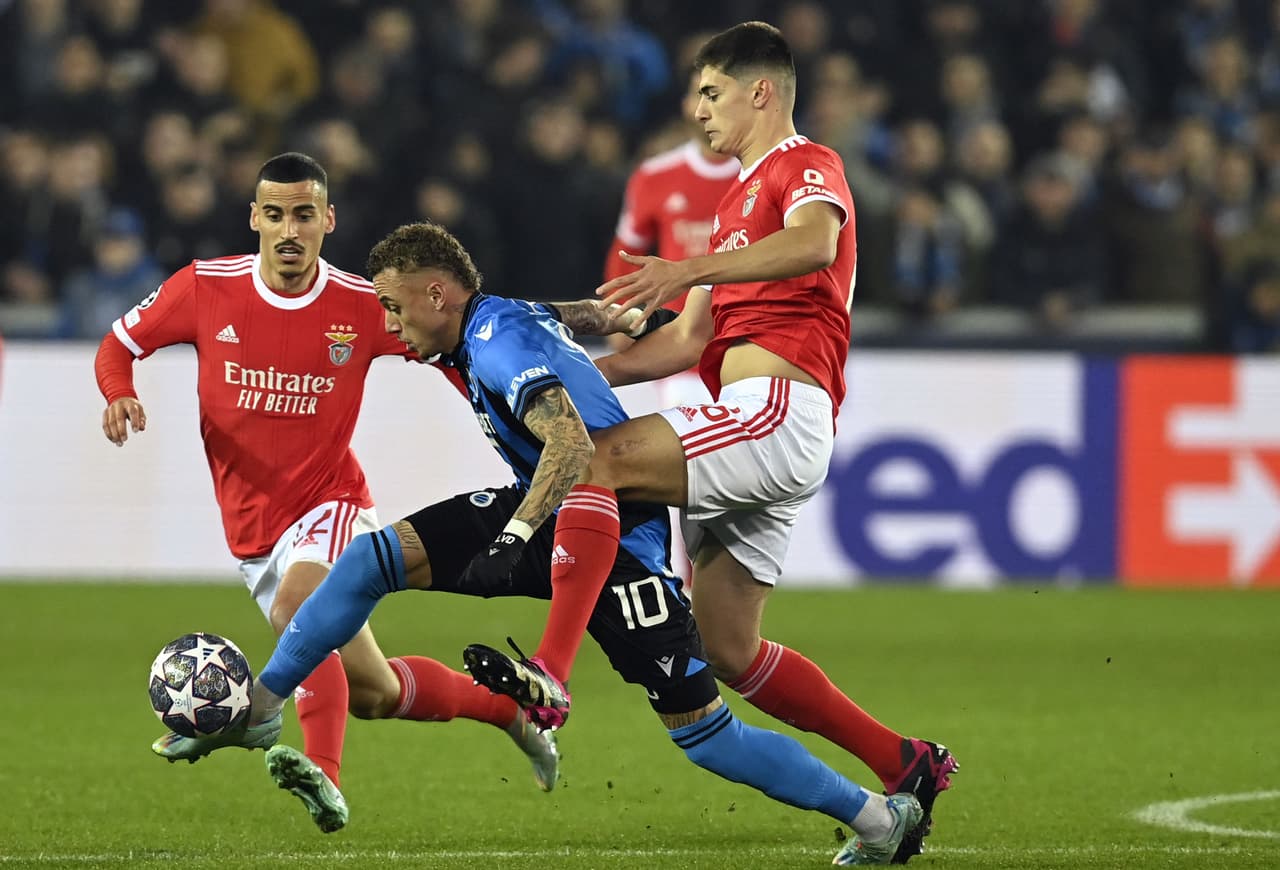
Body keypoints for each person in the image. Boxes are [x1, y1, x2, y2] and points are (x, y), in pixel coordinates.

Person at [181, 221, 923, 865]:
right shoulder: (488, 323)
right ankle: (265, 706)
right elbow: (562, 314)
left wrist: (512, 535)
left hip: (614, 537)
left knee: (708, 737)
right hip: (549, 509)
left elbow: (572, 448)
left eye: (393, 305)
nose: (388, 322)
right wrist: (611, 317)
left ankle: (876, 816)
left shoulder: (497, 344)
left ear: (437, 295)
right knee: (369, 559)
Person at [464, 23, 958, 864]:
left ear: (760, 91)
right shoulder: (731, 210)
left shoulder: (805, 165)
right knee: (728, 646)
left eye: (710, 92)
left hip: (776, 407)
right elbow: (685, 344)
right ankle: (904, 762)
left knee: (598, 458)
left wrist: (682, 271)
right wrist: (566, 363)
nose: (696, 111)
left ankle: (551, 672)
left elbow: (815, 242)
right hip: (753, 424)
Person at [93, 153, 558, 833]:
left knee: (297, 607)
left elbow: (452, 344)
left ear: (327, 221)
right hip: (252, 530)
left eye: (303, 214)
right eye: (275, 214)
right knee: (376, 691)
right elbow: (117, 345)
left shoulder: (359, 304)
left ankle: (322, 775)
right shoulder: (204, 288)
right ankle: (507, 712)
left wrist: (521, 404)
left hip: (330, 502)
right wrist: (119, 394)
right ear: (254, 217)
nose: (288, 230)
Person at [602, 69, 739, 324]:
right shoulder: (653, 175)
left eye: (716, 95)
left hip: (750, 336)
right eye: (699, 94)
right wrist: (617, 317)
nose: (706, 106)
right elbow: (625, 257)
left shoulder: (767, 171)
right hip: (674, 336)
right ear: (685, 104)